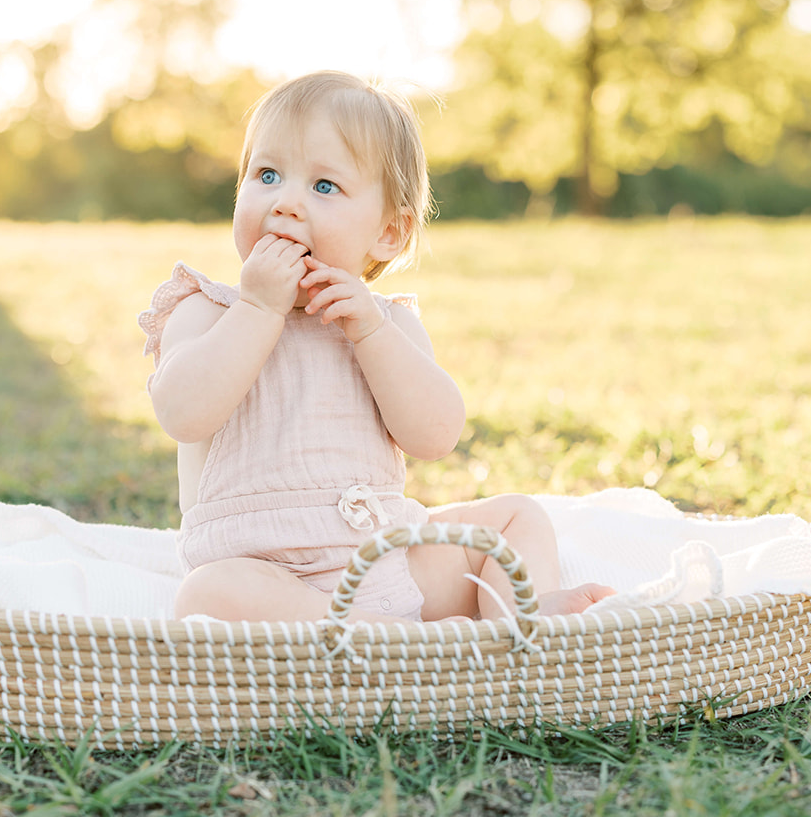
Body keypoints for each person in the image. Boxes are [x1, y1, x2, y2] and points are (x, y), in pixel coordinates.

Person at [139, 71, 612, 624]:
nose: (286, 203)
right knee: (205, 595)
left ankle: (517, 616)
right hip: (270, 576)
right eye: (267, 175)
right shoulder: (207, 309)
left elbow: (436, 436)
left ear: (389, 232)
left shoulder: (386, 325)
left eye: (324, 187)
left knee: (516, 520)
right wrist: (259, 310)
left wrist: (369, 333)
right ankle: (377, 640)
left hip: (387, 565)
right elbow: (182, 414)